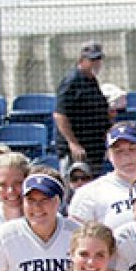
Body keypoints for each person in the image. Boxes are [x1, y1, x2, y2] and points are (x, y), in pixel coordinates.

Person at [68, 123, 136, 229]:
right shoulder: (88, 194)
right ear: (108, 155)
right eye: (118, 151)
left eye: (132, 148)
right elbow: (77, 240)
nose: (126, 156)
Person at [54, 42, 111, 177]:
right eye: (92, 60)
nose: (96, 63)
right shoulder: (72, 81)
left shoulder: (91, 80)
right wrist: (73, 143)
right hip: (78, 152)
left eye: (98, 60)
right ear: (81, 60)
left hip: (93, 148)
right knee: (74, 188)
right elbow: (60, 115)